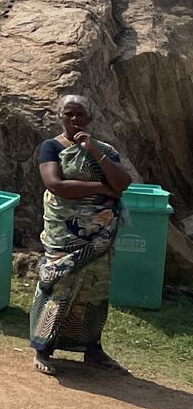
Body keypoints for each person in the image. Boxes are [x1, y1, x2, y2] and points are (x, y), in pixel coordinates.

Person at [30, 91, 139, 377]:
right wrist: (103, 189)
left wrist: (93, 151)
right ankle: (43, 347)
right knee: (60, 286)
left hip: (99, 235)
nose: (75, 119)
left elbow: (123, 182)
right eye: (69, 114)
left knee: (95, 289)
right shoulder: (50, 147)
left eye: (80, 114)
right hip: (64, 234)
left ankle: (92, 349)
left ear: (89, 118)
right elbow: (56, 184)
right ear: (60, 117)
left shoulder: (104, 149)